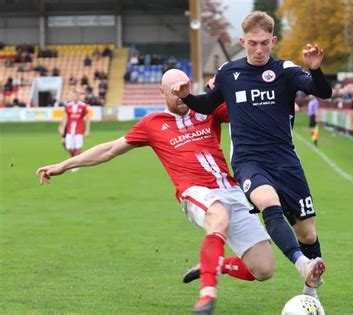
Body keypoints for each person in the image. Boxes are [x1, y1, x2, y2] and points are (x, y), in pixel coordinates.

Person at [37, 69, 274, 315]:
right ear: (162, 93)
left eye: (185, 89)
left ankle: (215, 264)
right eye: (175, 92)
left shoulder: (207, 110)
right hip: (196, 191)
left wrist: (223, 87)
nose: (182, 96)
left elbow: (245, 107)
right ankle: (206, 298)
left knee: (263, 269)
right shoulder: (152, 124)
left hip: (231, 190)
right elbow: (109, 149)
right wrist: (64, 165)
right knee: (219, 215)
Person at [172, 10, 332, 308]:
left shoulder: (286, 70)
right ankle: (301, 265)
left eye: (264, 44)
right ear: (242, 41)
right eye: (252, 44)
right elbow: (208, 105)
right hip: (249, 161)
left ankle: (310, 294)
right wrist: (188, 97)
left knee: (307, 234)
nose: (258, 50)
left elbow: (321, 91)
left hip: (286, 161)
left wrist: (317, 70)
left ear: (273, 40)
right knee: (267, 202)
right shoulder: (228, 73)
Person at [58, 91, 90, 171]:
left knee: (78, 148)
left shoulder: (83, 106)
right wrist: (62, 127)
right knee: (69, 147)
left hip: (79, 130)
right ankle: (75, 160)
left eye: (75, 96)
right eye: (72, 96)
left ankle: (75, 165)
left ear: (78, 96)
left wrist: (87, 130)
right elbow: (65, 118)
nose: (74, 97)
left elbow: (87, 118)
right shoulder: (68, 106)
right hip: (69, 130)